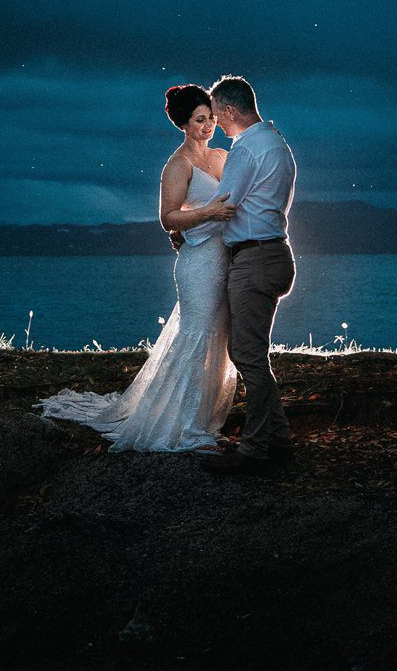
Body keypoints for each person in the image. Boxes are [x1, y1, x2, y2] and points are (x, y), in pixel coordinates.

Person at [37, 84, 241, 452]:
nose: (208, 125)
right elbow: (168, 218)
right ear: (184, 124)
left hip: (226, 256)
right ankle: (186, 428)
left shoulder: (223, 157)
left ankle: (206, 420)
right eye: (200, 120)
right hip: (198, 264)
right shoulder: (178, 164)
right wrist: (208, 213)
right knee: (197, 337)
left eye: (211, 118)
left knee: (219, 339)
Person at [199, 74, 299, 473]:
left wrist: (185, 231)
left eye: (217, 115)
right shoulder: (277, 144)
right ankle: (280, 441)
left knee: (247, 355)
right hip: (275, 255)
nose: (215, 123)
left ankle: (255, 452)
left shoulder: (245, 149)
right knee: (253, 353)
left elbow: (224, 205)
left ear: (230, 110)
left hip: (254, 260)